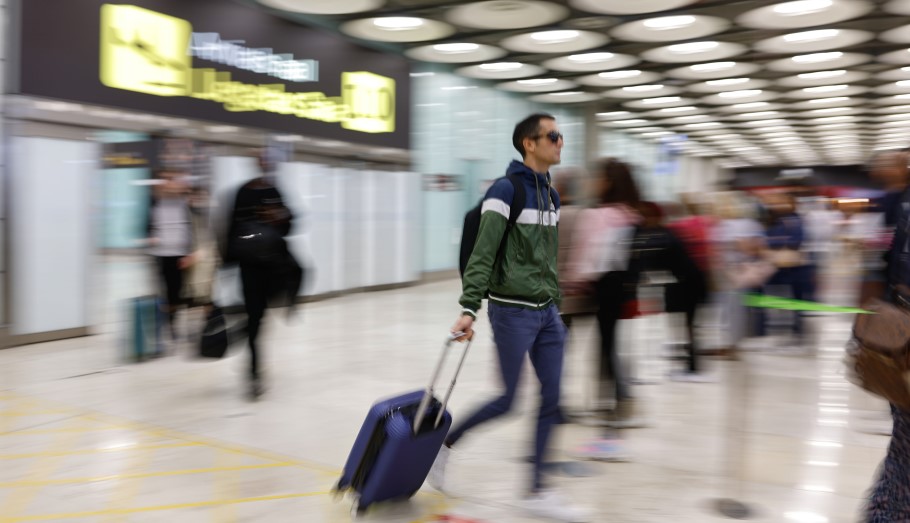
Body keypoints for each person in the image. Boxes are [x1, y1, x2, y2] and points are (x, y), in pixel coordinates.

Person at [430, 113, 589, 522]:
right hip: (512, 312)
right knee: (508, 400)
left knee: (552, 398)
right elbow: (484, 252)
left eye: (561, 135)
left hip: (547, 313)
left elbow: (546, 258)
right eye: (552, 136)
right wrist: (469, 308)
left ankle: (537, 490)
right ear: (528, 144)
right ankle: (443, 447)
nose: (560, 142)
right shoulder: (506, 190)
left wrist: (556, 298)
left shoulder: (551, 195)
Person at [565, 159, 643, 427]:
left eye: (597, 178)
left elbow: (586, 255)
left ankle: (618, 400)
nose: (592, 183)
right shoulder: (631, 214)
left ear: (608, 183)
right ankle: (613, 400)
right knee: (611, 344)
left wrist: (575, 281)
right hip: (622, 289)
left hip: (601, 287)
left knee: (606, 346)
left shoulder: (599, 216)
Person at [225, 150, 300, 400]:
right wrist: (228, 261)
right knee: (256, 322)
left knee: (298, 273)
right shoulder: (244, 192)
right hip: (251, 268)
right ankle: (254, 375)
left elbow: (290, 224)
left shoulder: (274, 191)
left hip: (273, 266)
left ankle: (285, 304)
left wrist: (279, 217)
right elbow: (231, 229)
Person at [147, 168, 195, 344]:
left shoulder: (184, 202)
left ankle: (173, 324)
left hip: (180, 254)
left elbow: (191, 227)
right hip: (160, 253)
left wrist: (190, 251)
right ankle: (167, 326)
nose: (167, 183)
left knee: (177, 292)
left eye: (170, 179)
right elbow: (147, 224)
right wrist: (150, 236)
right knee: (164, 293)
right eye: (163, 179)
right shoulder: (154, 202)